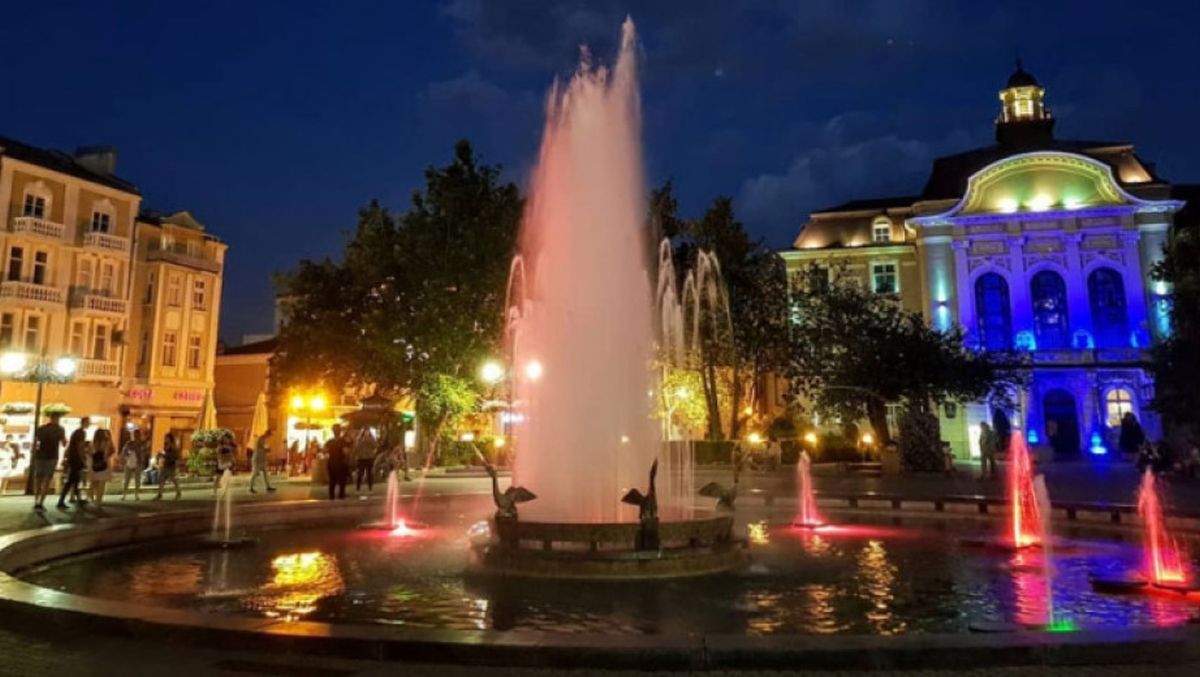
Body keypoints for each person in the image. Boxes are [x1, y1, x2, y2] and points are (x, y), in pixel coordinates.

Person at [31, 413, 67, 512]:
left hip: (40, 456)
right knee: (47, 480)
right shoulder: (60, 429)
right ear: (57, 419)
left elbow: (35, 442)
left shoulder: (41, 428)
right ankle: (41, 503)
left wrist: (34, 453)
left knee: (38, 479)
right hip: (52, 456)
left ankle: (36, 502)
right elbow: (64, 443)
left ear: (50, 418)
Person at [57, 417, 91, 510]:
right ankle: (61, 501)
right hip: (76, 459)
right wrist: (83, 460)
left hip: (73, 458)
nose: (89, 424)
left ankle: (77, 499)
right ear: (84, 422)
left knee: (75, 480)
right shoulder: (81, 433)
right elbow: (80, 447)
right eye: (88, 422)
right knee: (72, 480)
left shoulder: (77, 432)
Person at [87, 429, 116, 508]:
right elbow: (110, 452)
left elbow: (89, 454)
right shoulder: (106, 442)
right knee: (102, 484)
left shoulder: (92, 443)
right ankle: (98, 501)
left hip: (94, 465)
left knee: (94, 482)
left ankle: (91, 495)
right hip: (104, 465)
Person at [154, 433, 182, 500]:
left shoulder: (173, 446)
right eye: (165, 438)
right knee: (161, 479)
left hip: (171, 465)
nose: (165, 439)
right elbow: (165, 453)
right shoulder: (166, 445)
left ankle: (178, 493)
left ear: (170, 438)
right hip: (166, 464)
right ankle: (160, 494)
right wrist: (161, 455)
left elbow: (174, 456)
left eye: (167, 438)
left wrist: (164, 455)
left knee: (173, 480)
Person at [120, 429, 148, 499]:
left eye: (137, 435)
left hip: (137, 462)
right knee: (127, 479)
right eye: (135, 435)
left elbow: (144, 453)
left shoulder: (141, 443)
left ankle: (136, 494)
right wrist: (125, 457)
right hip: (129, 462)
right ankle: (125, 494)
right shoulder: (129, 443)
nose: (136, 436)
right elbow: (124, 452)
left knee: (137, 479)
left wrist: (142, 460)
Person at [325, 426, 350, 500]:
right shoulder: (343, 441)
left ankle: (331, 496)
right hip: (341, 462)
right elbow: (346, 452)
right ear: (340, 432)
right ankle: (341, 496)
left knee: (332, 480)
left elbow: (324, 450)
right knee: (342, 481)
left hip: (331, 462)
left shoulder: (329, 442)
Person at [353, 428, 377, 497]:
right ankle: (358, 489)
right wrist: (362, 441)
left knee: (369, 474)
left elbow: (375, 446)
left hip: (369, 458)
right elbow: (357, 447)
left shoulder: (372, 439)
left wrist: (370, 441)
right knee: (360, 474)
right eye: (366, 432)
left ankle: (370, 489)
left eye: (368, 432)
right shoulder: (359, 439)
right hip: (361, 458)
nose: (367, 433)